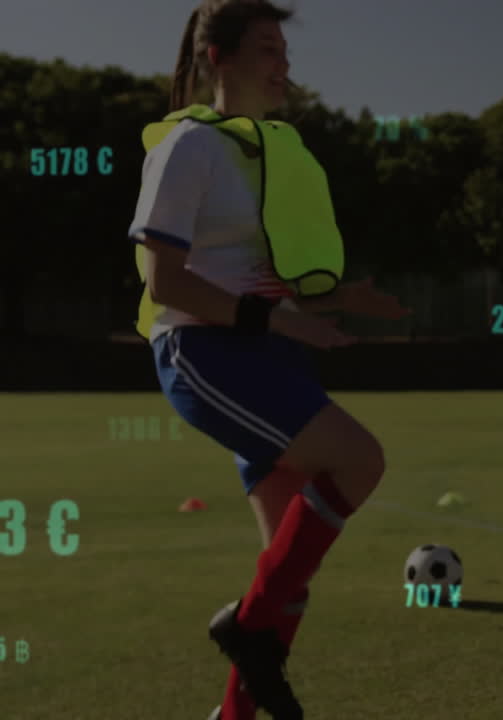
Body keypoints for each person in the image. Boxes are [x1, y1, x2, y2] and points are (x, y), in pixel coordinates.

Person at [129, 1, 409, 717]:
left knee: (290, 572)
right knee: (360, 460)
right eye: (264, 48)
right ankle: (247, 632)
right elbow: (166, 281)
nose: (283, 63)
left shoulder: (266, 153)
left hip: (267, 353)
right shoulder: (186, 147)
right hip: (204, 353)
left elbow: (258, 276)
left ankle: (233, 710)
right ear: (217, 60)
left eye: (285, 49)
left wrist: (341, 299)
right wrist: (283, 320)